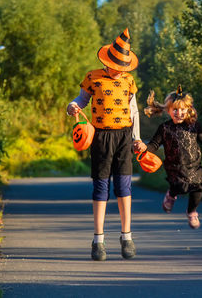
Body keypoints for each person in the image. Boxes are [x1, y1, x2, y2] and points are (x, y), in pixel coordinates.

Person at [67, 28, 141, 261]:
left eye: (124, 67)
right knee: (101, 187)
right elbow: (81, 100)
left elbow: (134, 111)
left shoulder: (129, 80)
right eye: (116, 66)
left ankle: (126, 236)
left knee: (124, 187)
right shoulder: (92, 77)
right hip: (100, 137)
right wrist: (72, 105)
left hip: (124, 137)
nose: (120, 71)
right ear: (107, 62)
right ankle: (98, 240)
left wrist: (137, 138)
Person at [135, 86, 202, 229]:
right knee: (179, 188)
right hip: (174, 167)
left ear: (188, 109)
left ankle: (191, 212)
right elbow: (154, 144)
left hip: (194, 166)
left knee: (197, 189)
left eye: (183, 109)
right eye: (175, 110)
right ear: (168, 111)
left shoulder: (194, 126)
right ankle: (171, 195)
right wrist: (145, 149)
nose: (179, 113)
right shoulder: (164, 128)